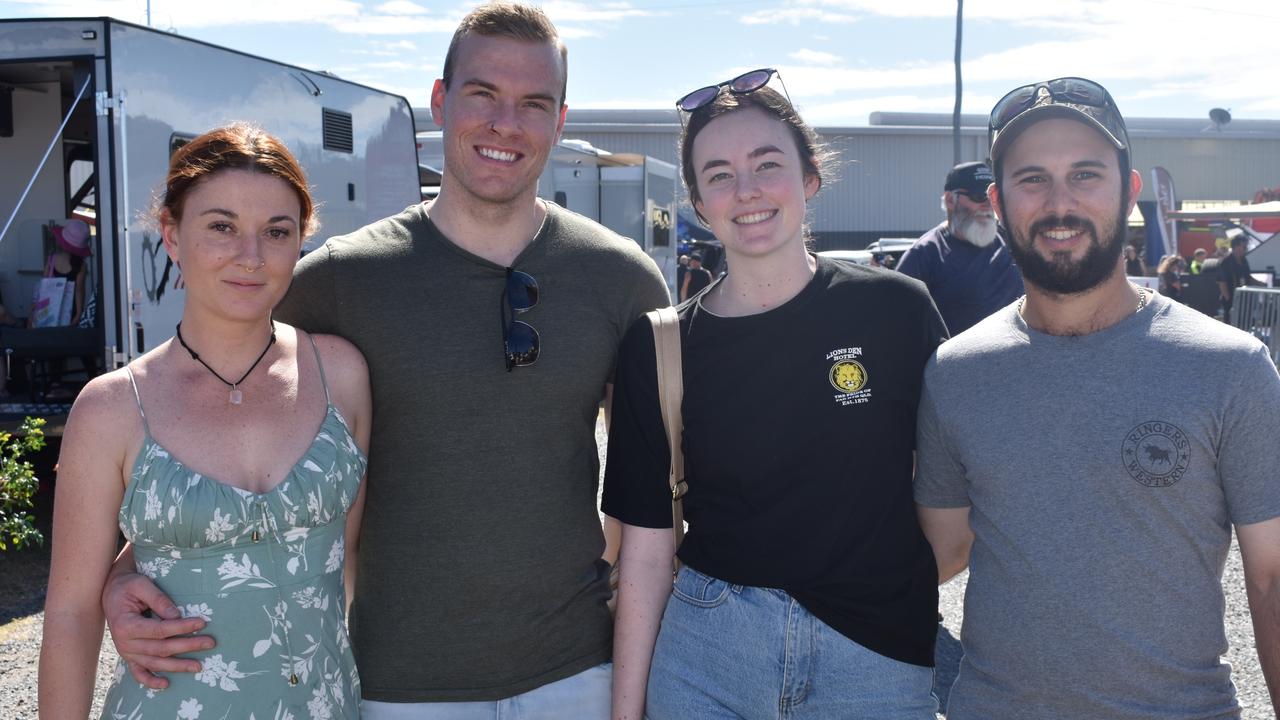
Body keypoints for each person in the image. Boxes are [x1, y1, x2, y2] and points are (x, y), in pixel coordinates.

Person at [101, 3, 670, 718]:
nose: (506, 124)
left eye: (534, 104)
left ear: (559, 121)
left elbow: (656, 495)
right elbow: (221, 418)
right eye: (483, 95)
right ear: (439, 101)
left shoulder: (622, 279)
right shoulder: (339, 280)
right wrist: (123, 574)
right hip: (394, 684)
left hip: (578, 674)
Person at [914, 76, 1280, 719]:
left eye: (1085, 174)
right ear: (998, 203)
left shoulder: (1230, 367)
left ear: (1129, 190)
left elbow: (1273, 579)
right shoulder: (956, 372)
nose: (1060, 203)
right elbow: (940, 552)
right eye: (1032, 179)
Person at [606, 71, 945, 720]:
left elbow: (950, 504)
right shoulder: (660, 346)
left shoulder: (897, 311)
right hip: (709, 654)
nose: (748, 190)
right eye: (720, 174)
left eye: (767, 164)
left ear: (810, 177)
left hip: (875, 658)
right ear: (700, 202)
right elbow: (646, 555)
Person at [38, 124, 372, 719]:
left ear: (301, 241)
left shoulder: (340, 374)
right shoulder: (113, 407)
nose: (251, 256)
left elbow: (347, 559)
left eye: (277, 231)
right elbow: (70, 613)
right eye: (221, 227)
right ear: (171, 234)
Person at [897, 160, 1024, 335]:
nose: (987, 205)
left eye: (993, 197)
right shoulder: (925, 254)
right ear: (950, 199)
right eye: (979, 196)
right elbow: (897, 320)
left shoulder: (1013, 241)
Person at [1218, 233, 1262, 319]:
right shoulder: (1226, 262)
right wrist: (1229, 300)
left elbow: (1247, 277)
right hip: (1231, 300)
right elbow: (1222, 283)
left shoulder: (1244, 260)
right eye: (1244, 247)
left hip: (1244, 300)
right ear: (1236, 247)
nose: (1246, 249)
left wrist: (1260, 284)